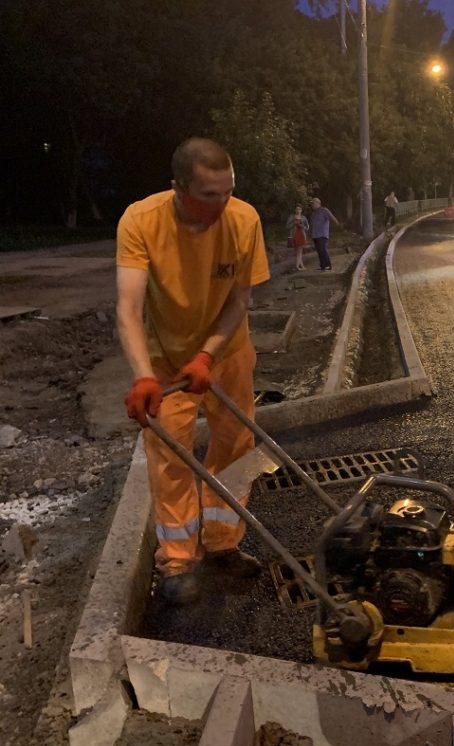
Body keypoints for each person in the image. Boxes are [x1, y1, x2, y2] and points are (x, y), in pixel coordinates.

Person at [116, 137, 270, 606]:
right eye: (209, 195)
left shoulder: (243, 220)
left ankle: (223, 543)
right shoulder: (141, 221)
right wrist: (144, 376)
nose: (222, 204)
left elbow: (239, 303)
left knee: (236, 447)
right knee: (170, 458)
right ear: (179, 188)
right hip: (167, 362)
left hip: (227, 353)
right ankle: (180, 560)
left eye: (228, 191)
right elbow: (128, 308)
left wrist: (208, 356)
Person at [309, 197, 340, 271]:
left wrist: (338, 224)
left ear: (318, 203)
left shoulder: (324, 210)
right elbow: (312, 224)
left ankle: (328, 265)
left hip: (322, 234)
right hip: (315, 235)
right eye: (311, 204)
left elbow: (332, 217)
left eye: (313, 203)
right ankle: (322, 265)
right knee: (319, 250)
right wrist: (310, 233)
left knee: (322, 249)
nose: (312, 205)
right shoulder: (313, 213)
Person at [285, 204, 310, 271]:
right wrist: (294, 223)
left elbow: (307, 227)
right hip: (294, 235)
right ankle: (299, 266)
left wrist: (302, 226)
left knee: (300, 251)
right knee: (297, 251)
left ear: (301, 210)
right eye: (296, 209)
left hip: (302, 235)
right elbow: (287, 227)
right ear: (295, 210)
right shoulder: (291, 217)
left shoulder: (303, 217)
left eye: (299, 209)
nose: (298, 210)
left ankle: (299, 266)